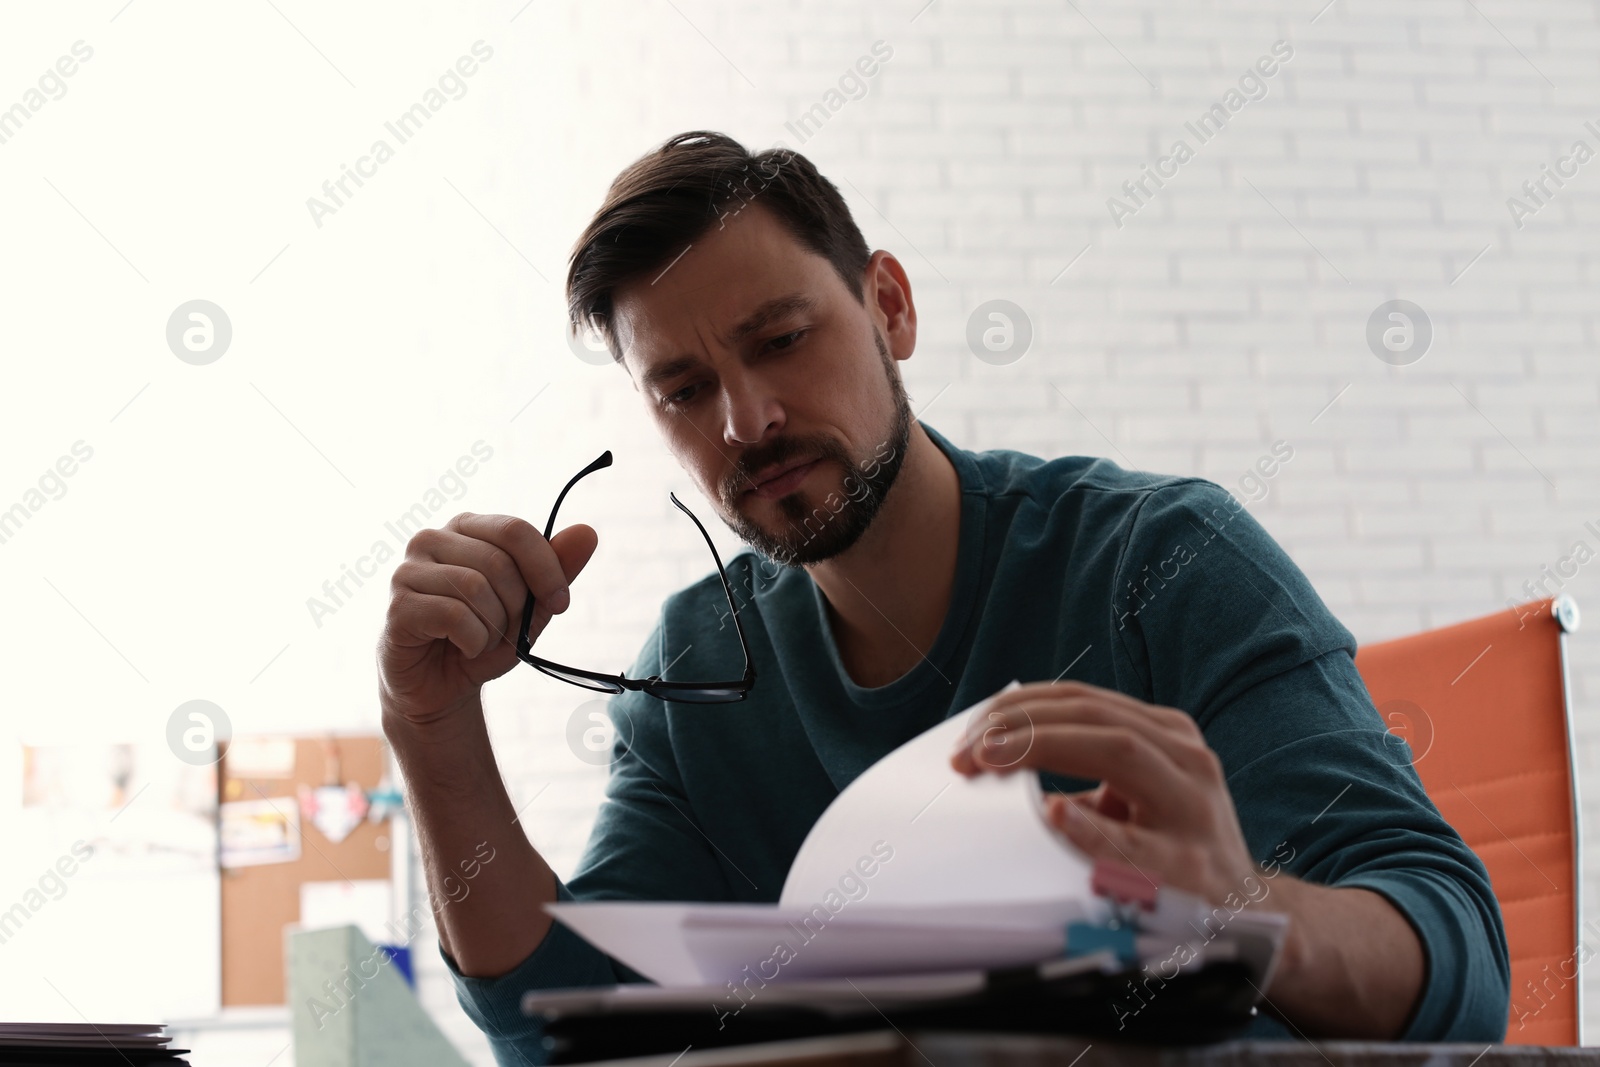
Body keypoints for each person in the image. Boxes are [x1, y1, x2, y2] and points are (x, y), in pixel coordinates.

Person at [377, 131, 1509, 1063]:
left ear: (890, 307)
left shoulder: (1163, 561)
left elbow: (1462, 969)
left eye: (781, 338)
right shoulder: (698, 665)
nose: (745, 421)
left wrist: (1242, 910)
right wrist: (430, 727)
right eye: (682, 388)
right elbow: (566, 1033)